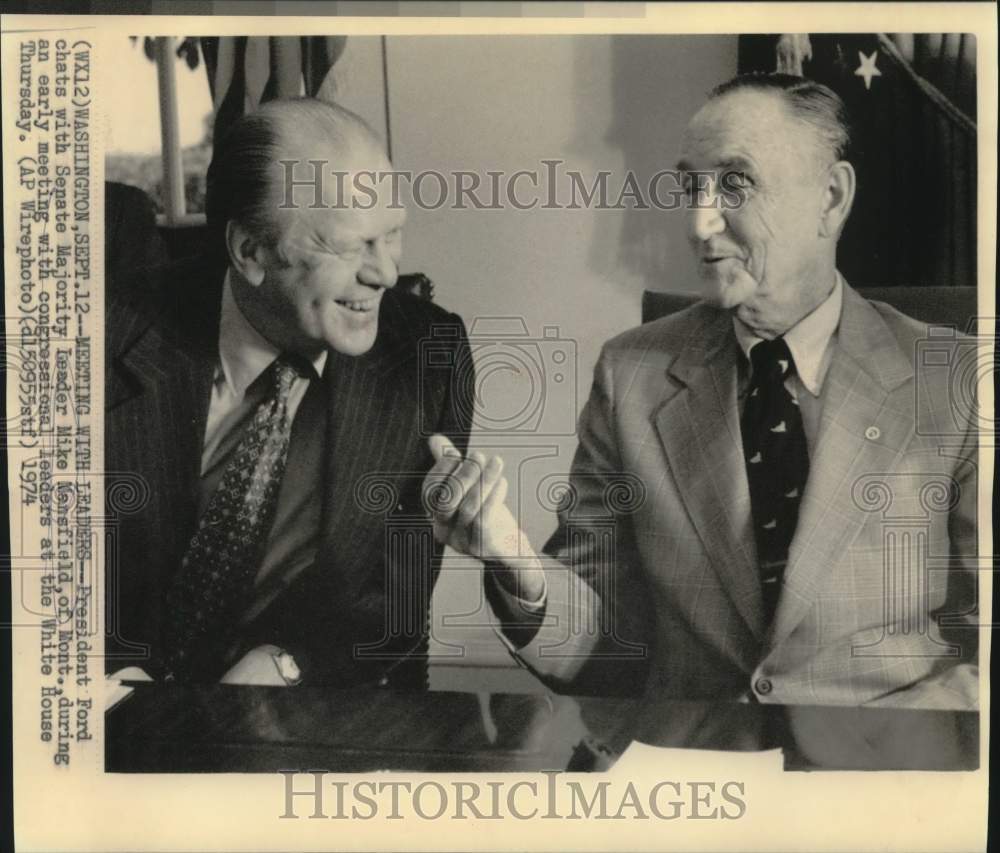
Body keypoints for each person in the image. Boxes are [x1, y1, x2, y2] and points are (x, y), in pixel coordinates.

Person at [424, 73, 978, 709]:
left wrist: (863, 760)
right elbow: (603, 642)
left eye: (734, 183)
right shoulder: (631, 373)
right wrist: (514, 561)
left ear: (830, 197)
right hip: (693, 769)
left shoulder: (954, 384)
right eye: (691, 185)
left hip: (883, 776)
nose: (698, 221)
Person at [106, 98, 473, 687]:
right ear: (251, 252)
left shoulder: (427, 352)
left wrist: (287, 665)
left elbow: (394, 604)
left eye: (391, 235)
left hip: (308, 708)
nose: (383, 273)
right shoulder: (98, 337)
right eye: (348, 247)